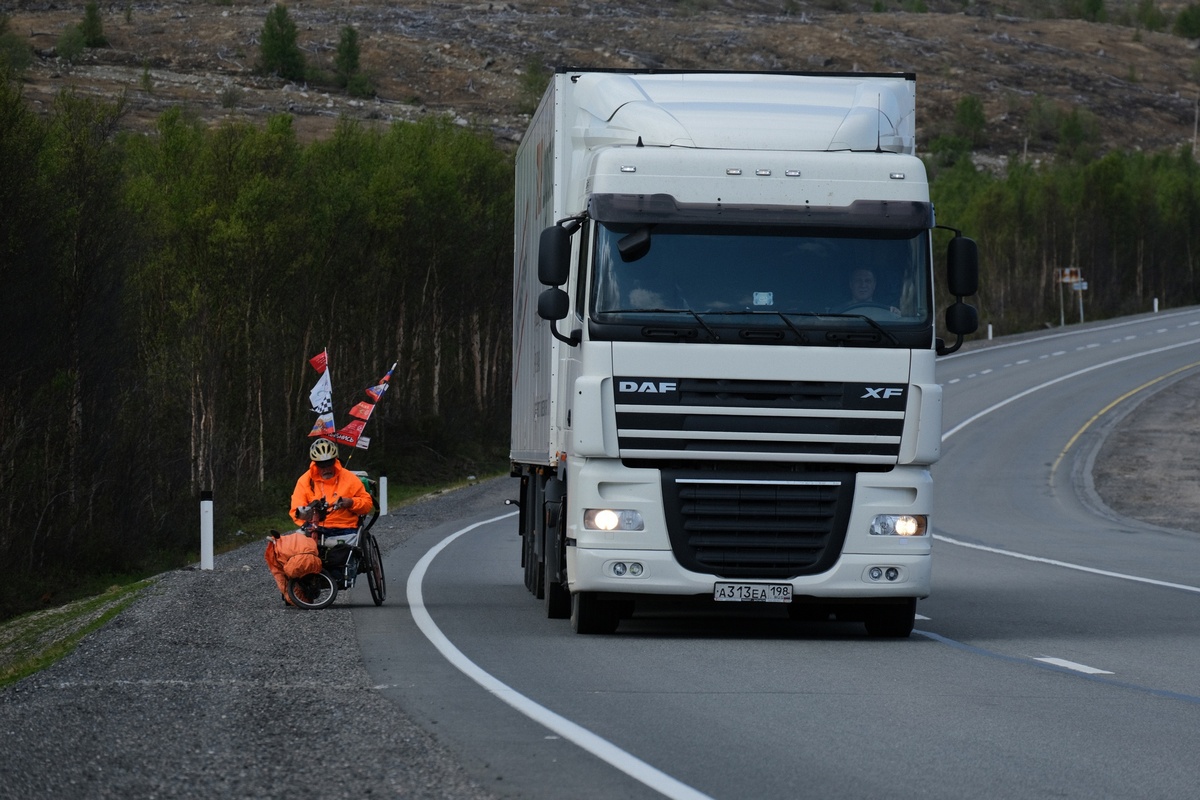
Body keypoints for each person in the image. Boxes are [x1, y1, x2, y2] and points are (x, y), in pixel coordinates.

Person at [290, 438, 373, 533]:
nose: (326, 469)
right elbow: (296, 510)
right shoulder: (305, 481)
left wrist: (352, 503)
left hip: (346, 527)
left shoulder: (350, 478)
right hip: (315, 527)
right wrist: (310, 517)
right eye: (322, 465)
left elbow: (367, 504)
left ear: (335, 461)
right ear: (315, 464)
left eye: (329, 464)